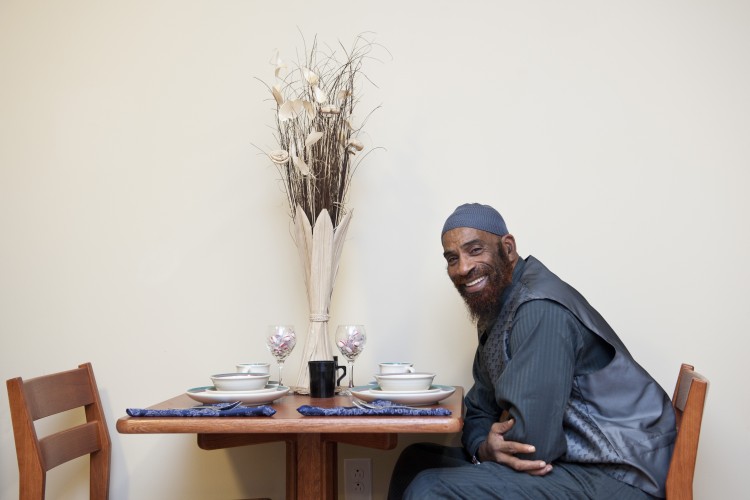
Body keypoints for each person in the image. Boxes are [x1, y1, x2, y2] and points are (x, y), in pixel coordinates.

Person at [388, 203, 676, 499]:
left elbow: (532, 447)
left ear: (508, 248)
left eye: (475, 250)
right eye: (452, 258)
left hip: (617, 474)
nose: (463, 268)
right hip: (569, 464)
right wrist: (482, 447)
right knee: (415, 460)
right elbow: (479, 408)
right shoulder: (496, 304)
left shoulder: (537, 308)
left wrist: (487, 449)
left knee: (429, 488)